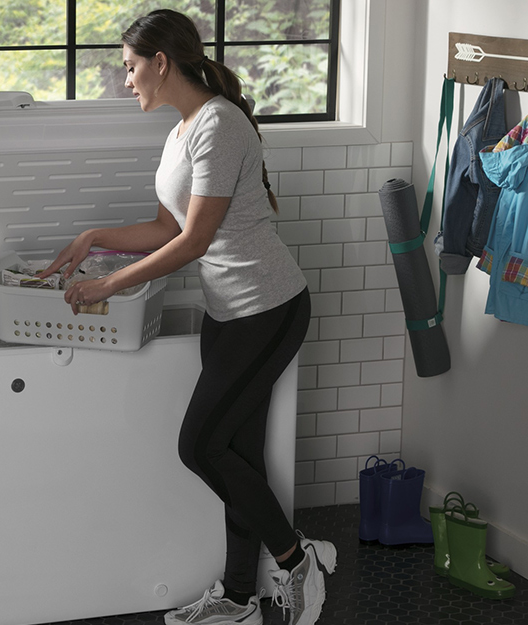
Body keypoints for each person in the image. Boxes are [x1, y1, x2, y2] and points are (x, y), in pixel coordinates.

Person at [38, 9, 335, 625]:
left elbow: (195, 240)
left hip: (269, 307)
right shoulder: (180, 130)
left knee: (198, 445)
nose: (126, 82)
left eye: (129, 67)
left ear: (162, 62)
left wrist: (109, 285)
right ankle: (236, 598)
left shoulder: (219, 126)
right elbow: (164, 228)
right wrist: (95, 237)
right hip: (226, 311)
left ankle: (298, 560)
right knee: (238, 454)